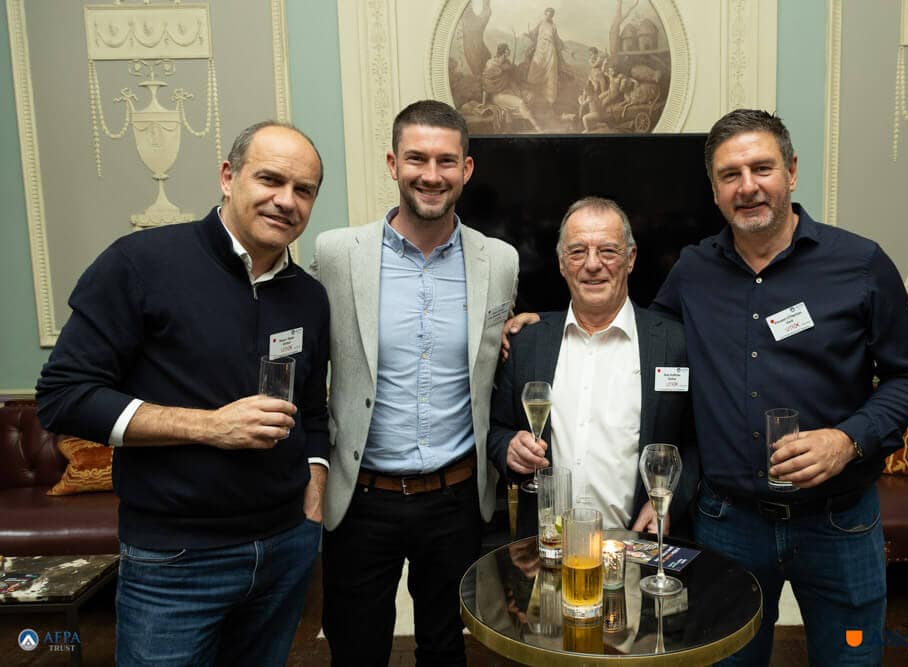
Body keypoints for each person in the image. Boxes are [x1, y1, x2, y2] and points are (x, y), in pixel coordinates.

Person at [35, 121, 330, 665]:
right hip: (175, 561)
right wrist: (211, 426)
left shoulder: (308, 296)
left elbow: (312, 410)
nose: (286, 201)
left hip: (285, 551)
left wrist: (312, 503)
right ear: (228, 177)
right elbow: (63, 396)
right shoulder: (140, 264)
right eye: (270, 179)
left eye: (303, 190)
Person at [649, 109, 908, 665]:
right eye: (730, 175)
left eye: (762, 168)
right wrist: (543, 323)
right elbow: (648, 340)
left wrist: (848, 439)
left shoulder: (860, 264)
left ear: (792, 172)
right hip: (727, 522)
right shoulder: (692, 270)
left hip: (839, 522)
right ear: (714, 189)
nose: (748, 186)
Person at [312, 99, 519, 666]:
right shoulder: (337, 254)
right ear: (393, 163)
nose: (432, 174)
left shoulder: (500, 261)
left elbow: (497, 349)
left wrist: (520, 325)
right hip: (362, 498)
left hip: (455, 499)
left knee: (446, 648)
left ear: (466, 169)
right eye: (417, 159)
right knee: (356, 652)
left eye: (446, 161)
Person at [488, 197, 698, 537]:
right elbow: (496, 428)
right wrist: (508, 447)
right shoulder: (527, 343)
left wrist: (669, 498)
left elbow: (696, 442)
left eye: (608, 251)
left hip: (638, 542)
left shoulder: (675, 344)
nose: (592, 264)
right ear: (561, 263)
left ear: (630, 258)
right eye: (577, 252)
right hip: (548, 543)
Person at [481, 43, 543, 132]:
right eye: (508, 49)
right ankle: (537, 126)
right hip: (498, 95)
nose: (509, 51)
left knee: (530, 96)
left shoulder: (507, 63)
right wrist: (483, 103)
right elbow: (485, 84)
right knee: (520, 102)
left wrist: (518, 90)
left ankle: (518, 125)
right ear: (504, 52)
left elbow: (513, 80)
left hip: (508, 91)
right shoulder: (491, 63)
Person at [524, 7, 565, 105]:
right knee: (536, 67)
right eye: (548, 13)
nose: (549, 16)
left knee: (550, 70)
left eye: (551, 14)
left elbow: (556, 38)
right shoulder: (541, 22)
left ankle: (549, 96)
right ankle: (532, 90)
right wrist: (529, 34)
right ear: (545, 13)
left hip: (550, 49)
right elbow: (534, 32)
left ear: (552, 16)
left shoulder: (553, 26)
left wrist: (561, 45)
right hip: (540, 48)